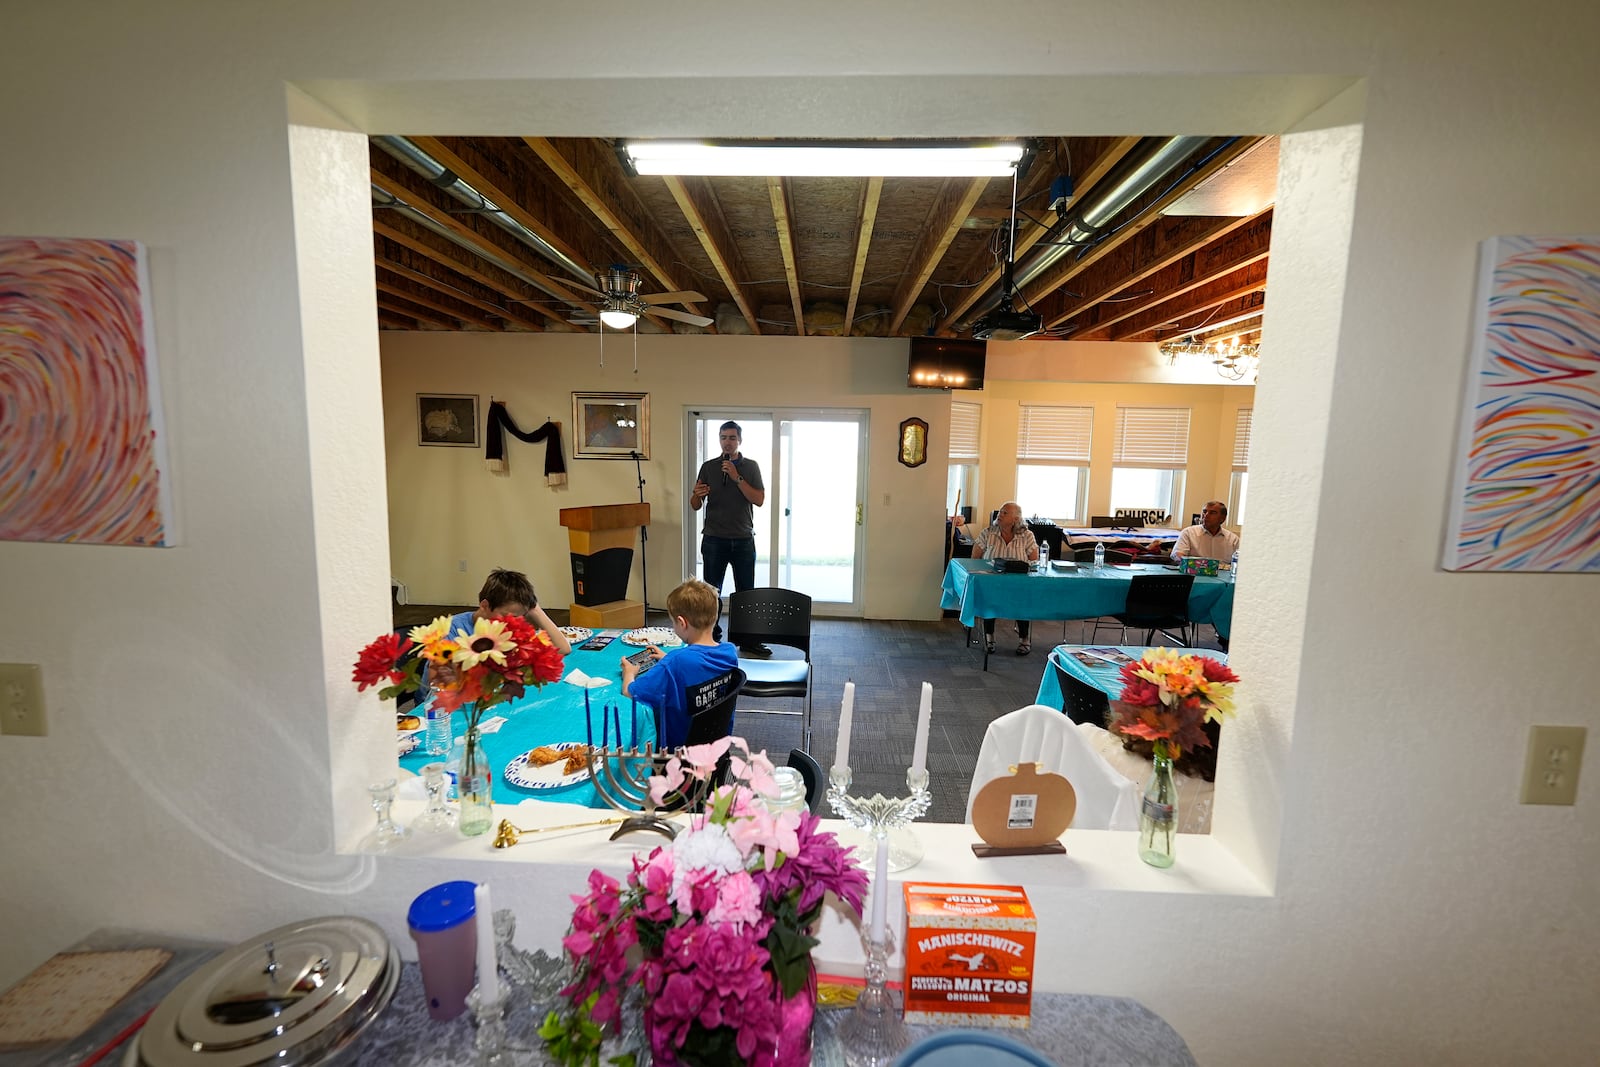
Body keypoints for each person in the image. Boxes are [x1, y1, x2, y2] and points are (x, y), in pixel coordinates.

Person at [621, 579, 740, 748]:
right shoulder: (729, 652)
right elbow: (696, 667)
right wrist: (669, 659)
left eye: (673, 622)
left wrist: (629, 673)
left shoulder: (676, 663)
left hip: (678, 753)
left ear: (682, 623)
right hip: (714, 746)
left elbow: (631, 693)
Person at [690, 420, 770, 657]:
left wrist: (736, 477)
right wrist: (696, 495)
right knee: (711, 593)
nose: (728, 441)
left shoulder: (751, 467)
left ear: (740, 441)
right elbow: (695, 505)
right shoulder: (708, 467)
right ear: (719, 440)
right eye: (724, 437)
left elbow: (759, 499)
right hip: (714, 538)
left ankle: (748, 641)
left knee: (746, 593)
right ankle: (712, 637)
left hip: (743, 538)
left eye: (732, 438)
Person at [425, 569, 572, 692]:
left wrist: (535, 610)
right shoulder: (449, 630)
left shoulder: (507, 631)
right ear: (484, 605)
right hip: (442, 711)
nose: (512, 623)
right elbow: (438, 684)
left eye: (519, 617)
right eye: (507, 616)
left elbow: (562, 648)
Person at [970, 501, 1039, 656]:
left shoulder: (1027, 535)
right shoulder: (987, 533)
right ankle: (989, 638)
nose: (999, 515)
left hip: (1018, 583)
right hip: (992, 582)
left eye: (1005, 513)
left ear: (1016, 519)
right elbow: (975, 558)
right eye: (1000, 512)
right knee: (989, 599)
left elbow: (1034, 561)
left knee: (1023, 600)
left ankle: (1024, 640)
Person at [1172, 500, 1240, 562]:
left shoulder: (1233, 539)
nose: (1206, 515)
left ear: (1222, 518)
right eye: (1204, 512)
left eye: (1212, 513)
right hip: (1194, 572)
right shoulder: (1188, 533)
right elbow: (1178, 554)